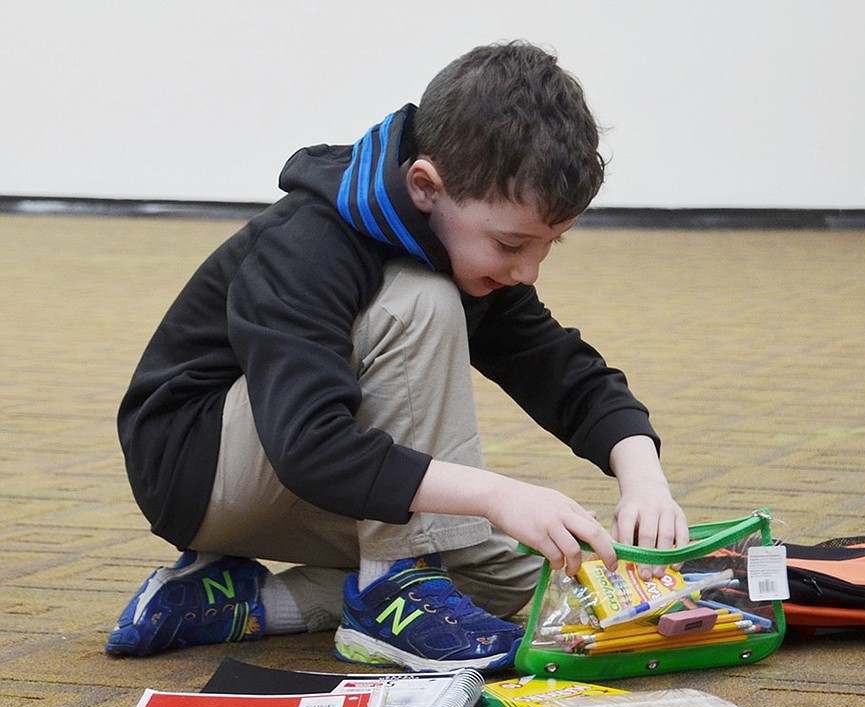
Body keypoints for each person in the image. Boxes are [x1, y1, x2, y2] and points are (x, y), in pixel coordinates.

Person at [107, 40, 688, 673]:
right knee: (423, 300)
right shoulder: (308, 245)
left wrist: (644, 481)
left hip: (295, 469)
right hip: (199, 467)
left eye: (550, 244)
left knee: (520, 575)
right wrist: (497, 495)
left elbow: (562, 370)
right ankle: (392, 588)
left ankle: (237, 602)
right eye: (511, 243)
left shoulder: (462, 249)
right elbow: (311, 446)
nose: (527, 270)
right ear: (425, 187)